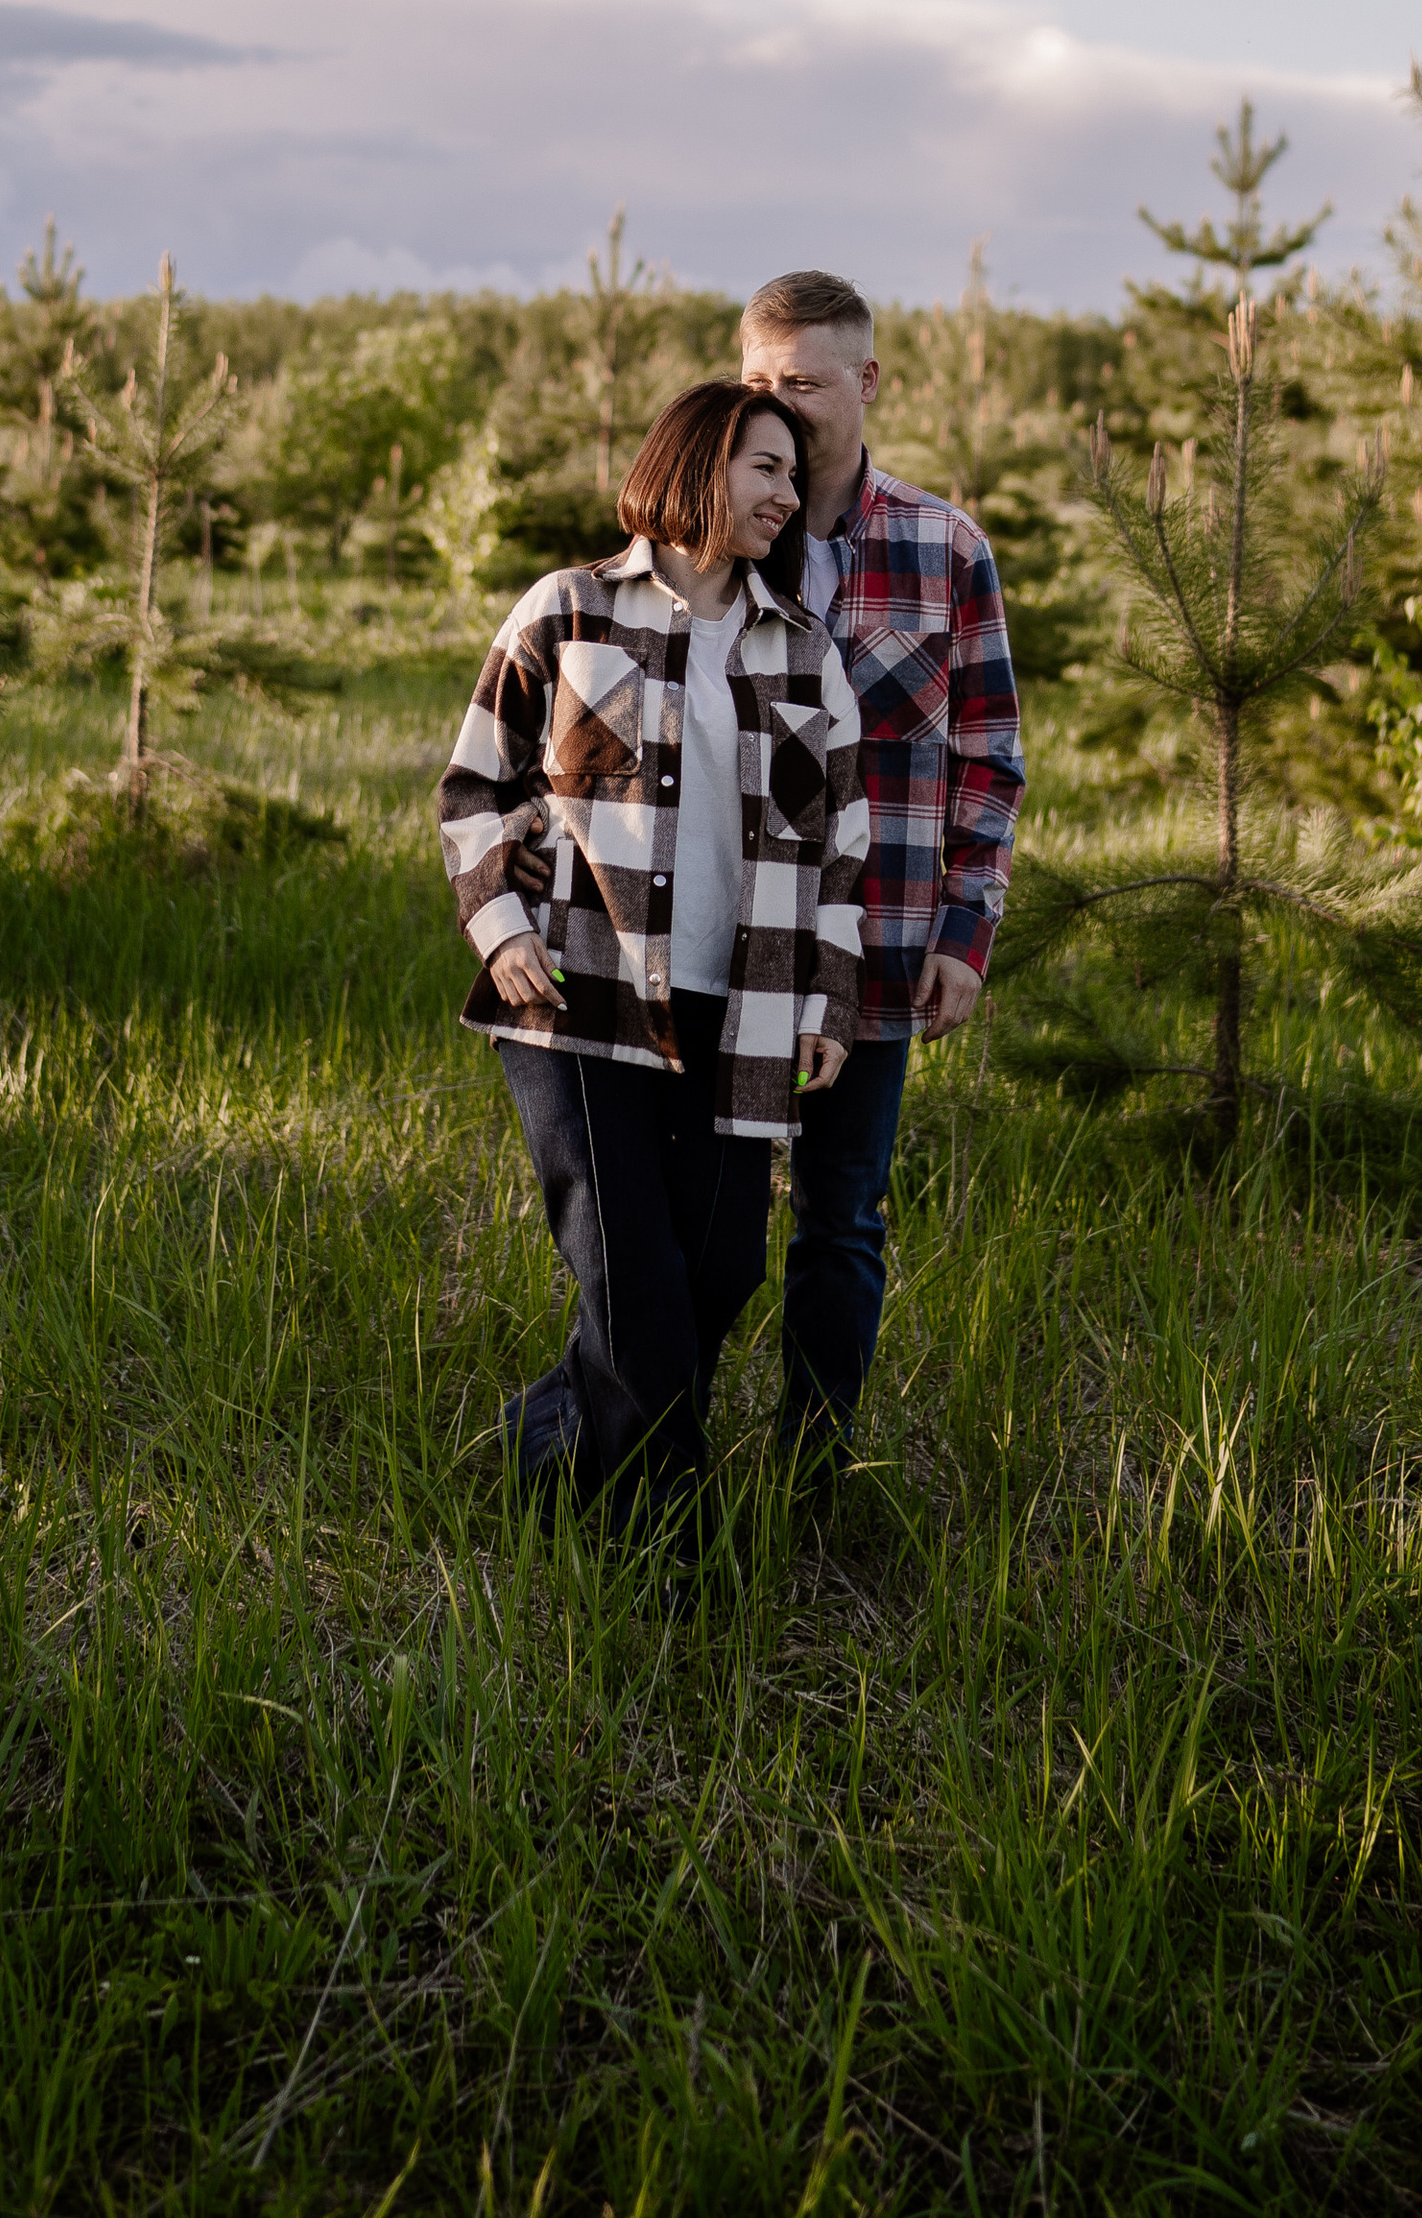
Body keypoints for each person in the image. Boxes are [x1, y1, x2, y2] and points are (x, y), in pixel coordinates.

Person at [437, 381, 868, 1540]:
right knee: (627, 1263)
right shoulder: (567, 610)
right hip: (581, 996)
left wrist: (830, 996)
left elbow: (841, 850)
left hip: (747, 1009)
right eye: (767, 469)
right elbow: (476, 787)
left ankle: (549, 1434)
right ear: (696, 464)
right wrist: (500, 923)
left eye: (793, 473)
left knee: (720, 1269)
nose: (789, 494)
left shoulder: (804, 654)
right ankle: (663, 1538)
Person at [735, 270, 1023, 1485]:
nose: (781, 407)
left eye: (803, 382)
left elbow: (988, 756)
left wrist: (965, 933)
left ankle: (813, 1466)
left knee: (840, 1218)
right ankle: (663, 1442)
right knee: (706, 1215)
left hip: (888, 945)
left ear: (867, 383)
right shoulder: (717, 544)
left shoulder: (945, 550)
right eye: (760, 383)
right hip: (730, 944)